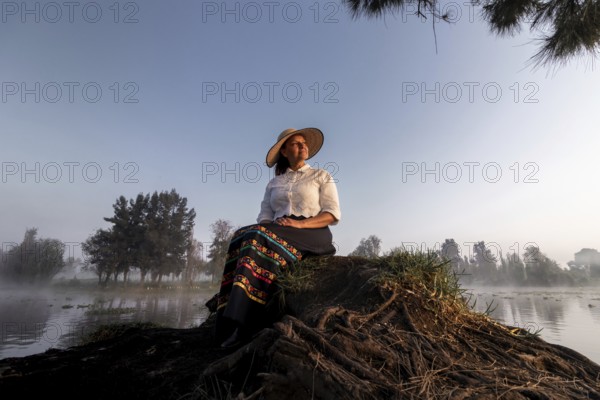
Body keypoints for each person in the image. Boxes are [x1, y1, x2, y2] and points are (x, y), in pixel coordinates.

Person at [213, 127, 341, 348]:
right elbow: (265, 216)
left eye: (304, 143)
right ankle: (227, 320)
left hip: (313, 232)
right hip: (280, 229)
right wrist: (268, 231)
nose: (302, 146)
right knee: (241, 235)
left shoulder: (321, 176)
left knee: (256, 236)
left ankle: (244, 326)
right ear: (284, 151)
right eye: (295, 143)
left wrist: (298, 224)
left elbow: (332, 214)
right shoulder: (274, 183)